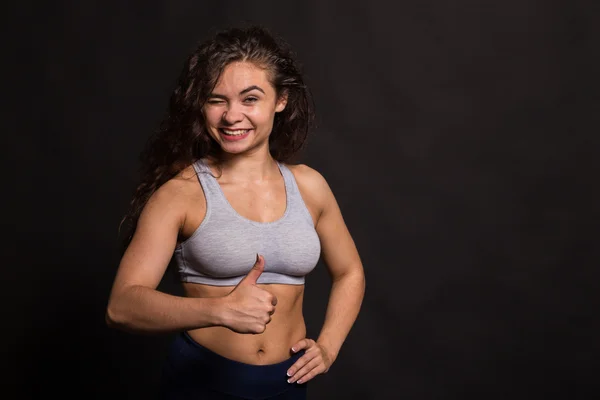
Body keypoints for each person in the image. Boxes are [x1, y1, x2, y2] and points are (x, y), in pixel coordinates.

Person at [106, 25, 366, 400]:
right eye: (216, 100)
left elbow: (350, 272)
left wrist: (328, 346)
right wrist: (219, 311)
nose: (232, 116)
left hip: (286, 386)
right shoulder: (182, 194)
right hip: (203, 383)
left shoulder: (310, 186)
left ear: (281, 100)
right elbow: (122, 306)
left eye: (250, 99)